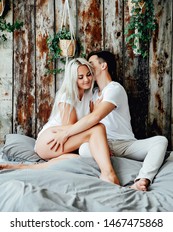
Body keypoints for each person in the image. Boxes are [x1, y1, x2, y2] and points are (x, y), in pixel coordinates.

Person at [46, 50, 168, 191]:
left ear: (103, 66)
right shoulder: (90, 95)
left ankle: (143, 179)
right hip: (101, 144)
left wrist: (65, 133)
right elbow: (86, 123)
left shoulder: (114, 89)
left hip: (124, 144)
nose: (88, 67)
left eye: (91, 63)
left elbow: (95, 118)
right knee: (84, 149)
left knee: (161, 141)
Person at [0, 57, 119, 185]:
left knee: (78, 159)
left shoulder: (88, 95)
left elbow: (84, 125)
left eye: (89, 74)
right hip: (52, 139)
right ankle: (108, 174)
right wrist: (98, 139)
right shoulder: (67, 96)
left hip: (65, 138)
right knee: (98, 128)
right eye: (81, 77)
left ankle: (22, 167)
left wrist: (101, 145)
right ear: (73, 78)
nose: (86, 79)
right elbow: (71, 128)